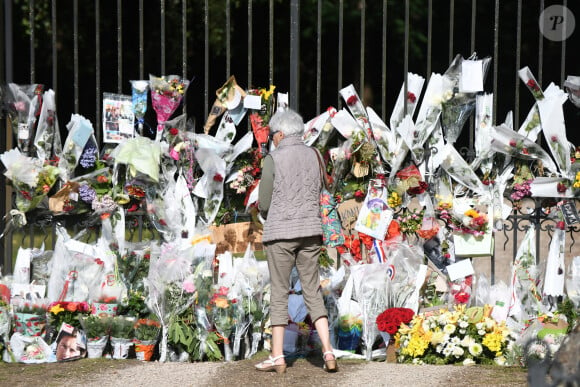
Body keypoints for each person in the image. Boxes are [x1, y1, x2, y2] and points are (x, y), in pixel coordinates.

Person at [255, 109, 337, 374]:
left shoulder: (273, 159)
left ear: (280, 133)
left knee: (279, 291)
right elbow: (323, 189)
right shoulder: (314, 155)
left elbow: (265, 202)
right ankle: (328, 351)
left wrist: (264, 213)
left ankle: (277, 356)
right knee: (312, 290)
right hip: (311, 230)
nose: (272, 140)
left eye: (272, 135)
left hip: (280, 233)